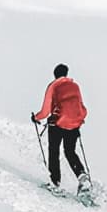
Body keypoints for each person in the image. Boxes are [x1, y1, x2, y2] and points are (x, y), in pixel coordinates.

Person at [31, 63, 89, 192]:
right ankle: (82, 176)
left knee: (54, 151)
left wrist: (36, 118)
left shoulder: (53, 86)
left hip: (57, 124)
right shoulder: (75, 86)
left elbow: (45, 111)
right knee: (70, 151)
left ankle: (55, 182)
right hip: (74, 124)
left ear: (55, 74)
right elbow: (80, 105)